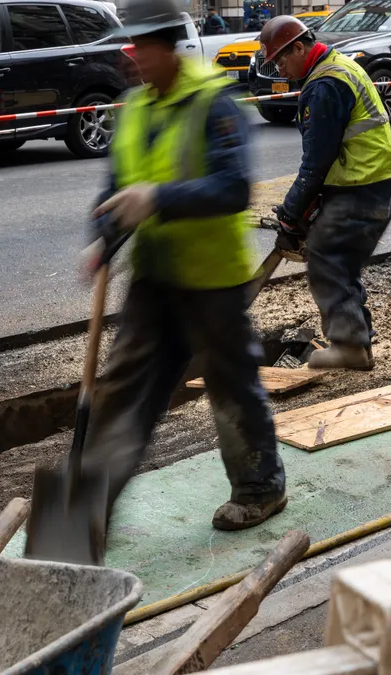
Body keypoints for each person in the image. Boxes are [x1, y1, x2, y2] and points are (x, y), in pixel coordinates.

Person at [80, 0, 287, 531]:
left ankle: (260, 488)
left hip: (212, 278)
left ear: (169, 45)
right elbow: (115, 188)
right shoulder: (135, 107)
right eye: (132, 46)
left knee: (230, 380)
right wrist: (101, 238)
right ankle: (85, 514)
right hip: (154, 278)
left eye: (143, 46)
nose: (134, 56)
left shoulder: (214, 104)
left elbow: (233, 187)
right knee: (124, 390)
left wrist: (157, 199)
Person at [259, 16, 391, 370]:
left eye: (281, 58)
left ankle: (350, 346)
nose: (279, 67)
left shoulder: (325, 84)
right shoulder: (336, 66)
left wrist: (292, 212)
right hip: (370, 179)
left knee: (326, 255)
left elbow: (316, 162)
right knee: (341, 257)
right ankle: (356, 339)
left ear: (299, 46)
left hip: (363, 184)